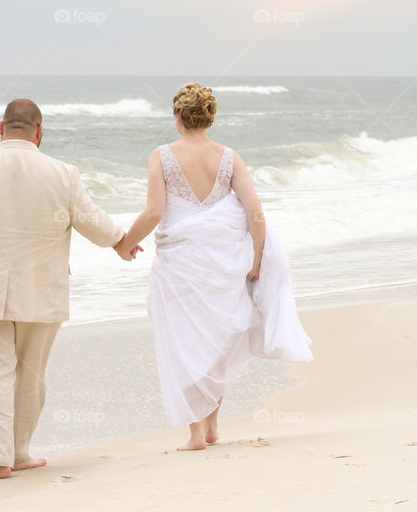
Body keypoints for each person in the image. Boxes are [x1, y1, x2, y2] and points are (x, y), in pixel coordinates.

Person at [0, 98, 137, 479]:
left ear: (1, 128)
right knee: (30, 374)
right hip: (42, 292)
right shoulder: (62, 173)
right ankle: (20, 452)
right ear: (39, 132)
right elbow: (92, 220)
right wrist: (122, 241)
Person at [115, 83, 313, 451]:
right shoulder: (229, 157)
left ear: (178, 117)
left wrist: (125, 243)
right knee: (218, 338)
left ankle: (195, 435)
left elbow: (155, 211)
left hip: (181, 263)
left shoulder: (161, 155)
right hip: (224, 261)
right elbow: (255, 210)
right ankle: (212, 426)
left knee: (184, 340)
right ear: (209, 117)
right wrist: (255, 257)